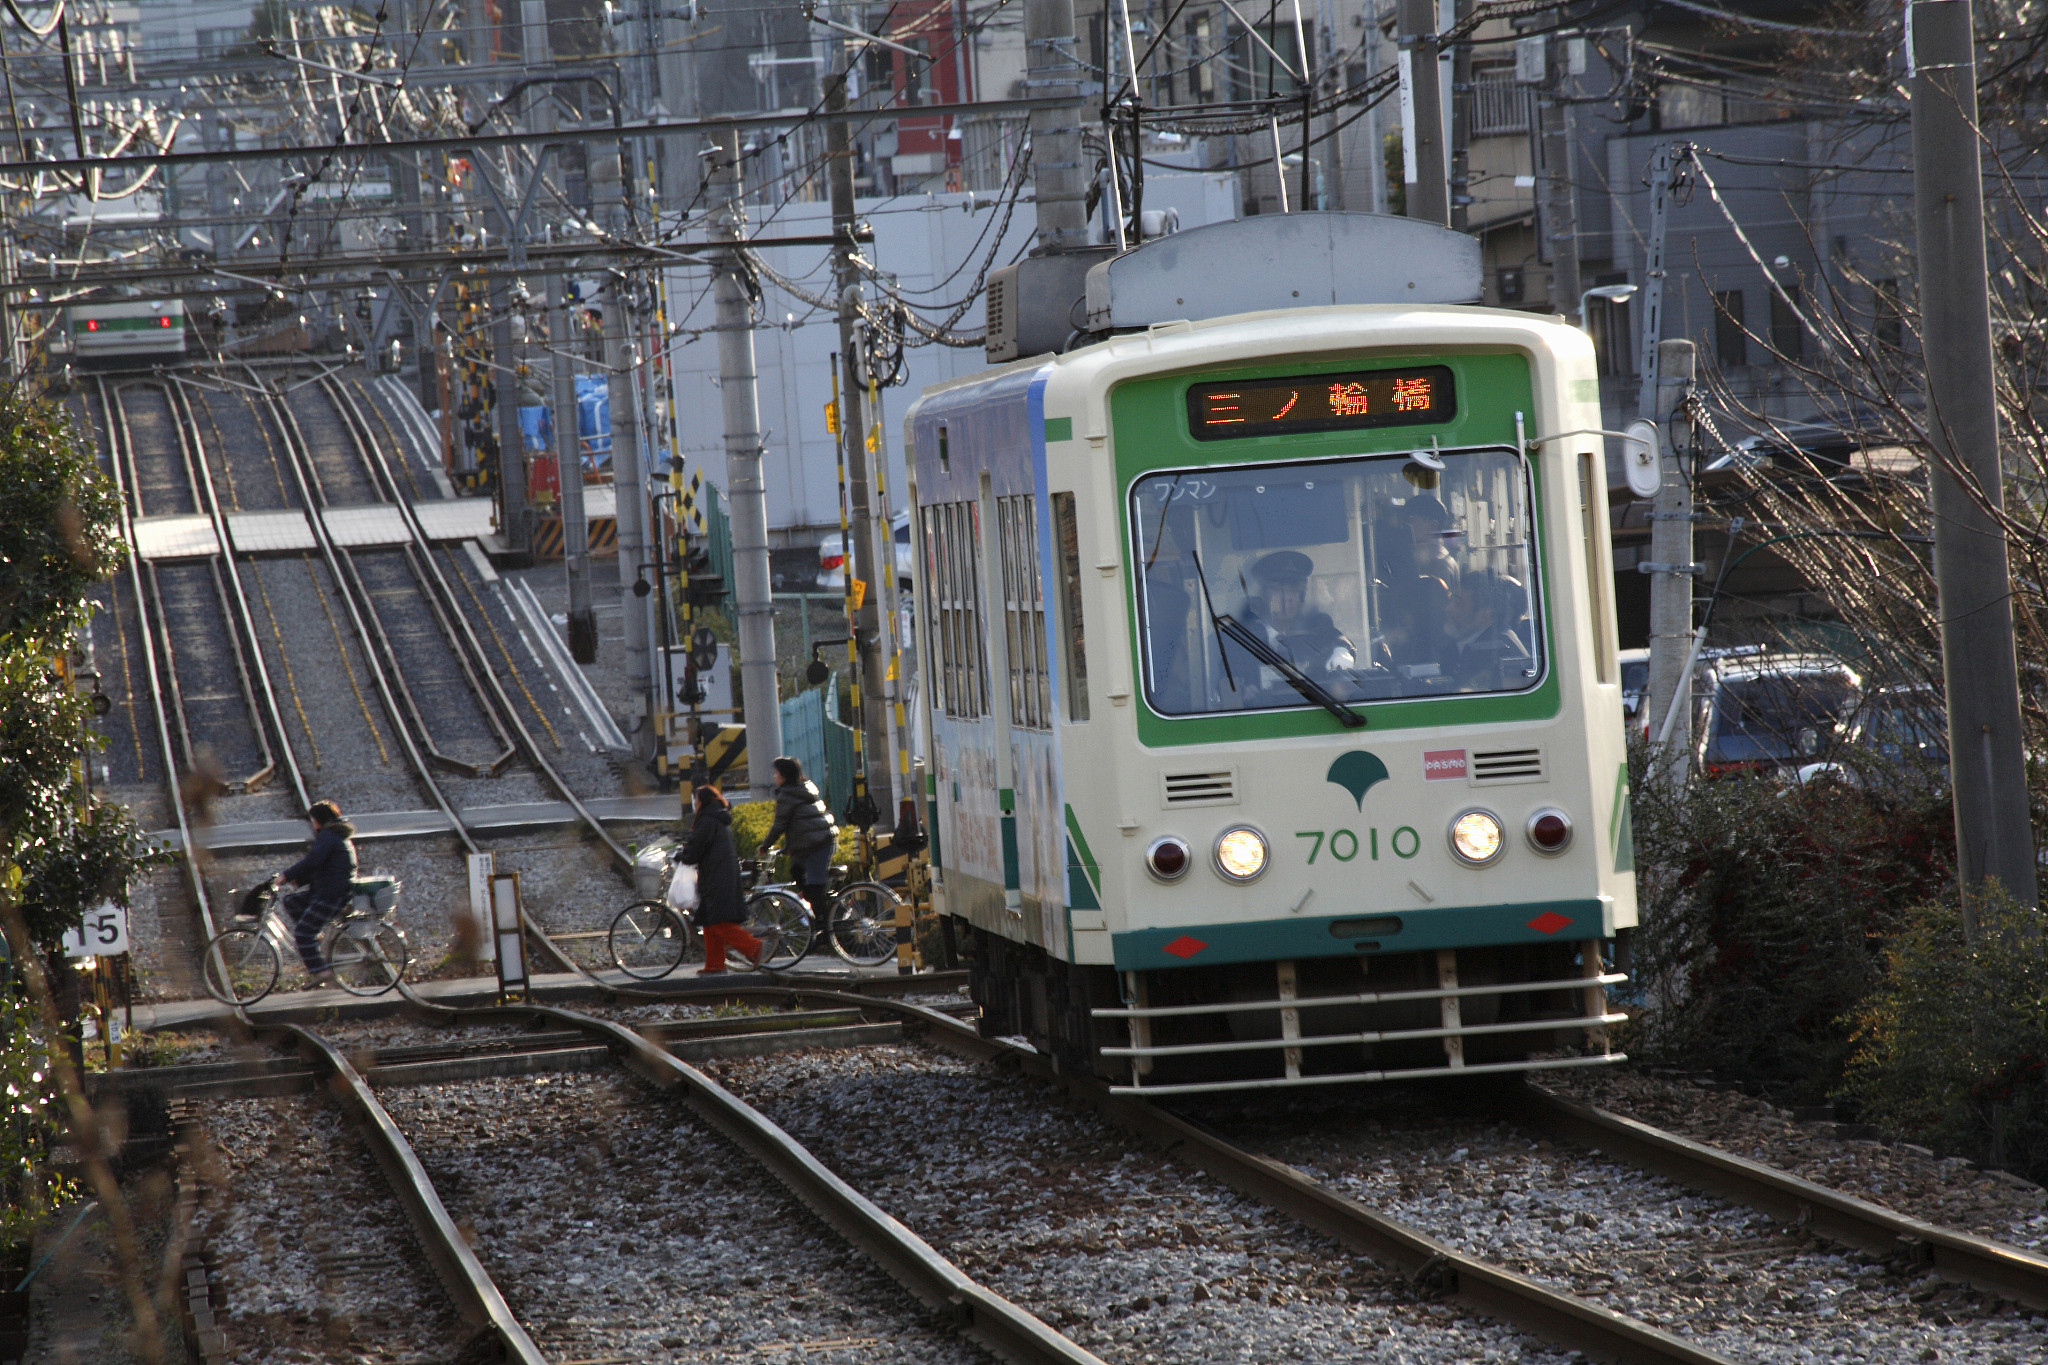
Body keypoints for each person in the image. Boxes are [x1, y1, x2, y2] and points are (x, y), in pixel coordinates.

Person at [1231, 550, 1355, 699]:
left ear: (1301, 595)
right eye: (1276, 589)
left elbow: (1339, 639)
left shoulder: (1317, 625)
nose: (1286, 598)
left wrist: (1341, 651)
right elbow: (1228, 681)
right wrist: (1242, 691)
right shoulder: (1241, 637)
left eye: (1293, 590)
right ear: (1263, 594)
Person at [274, 801, 356, 988]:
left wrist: (286, 875)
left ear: (318, 820)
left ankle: (321, 971)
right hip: (330, 890)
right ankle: (315, 935)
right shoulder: (336, 834)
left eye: (313, 820)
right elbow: (323, 865)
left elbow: (312, 861)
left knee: (302, 933)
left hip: (332, 894)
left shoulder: (328, 835)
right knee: (292, 901)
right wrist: (298, 880)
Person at [681, 784, 760, 973]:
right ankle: (715, 965)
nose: (695, 803)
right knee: (709, 920)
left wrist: (682, 856)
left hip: (716, 876)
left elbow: (696, 848)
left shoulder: (707, 820)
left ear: (703, 801)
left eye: (696, 799)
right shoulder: (716, 816)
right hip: (721, 873)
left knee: (718, 921)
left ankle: (753, 947)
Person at [763, 756, 839, 927]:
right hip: (815, 842)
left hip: (817, 845)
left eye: (776, 773)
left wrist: (765, 846)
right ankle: (813, 912)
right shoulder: (802, 788)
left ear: (784, 775)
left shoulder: (788, 794)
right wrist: (789, 846)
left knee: (815, 886)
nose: (774, 777)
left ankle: (823, 930)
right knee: (796, 870)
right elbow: (800, 823)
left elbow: (780, 825)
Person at [1446, 571, 1534, 691]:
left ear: (1485, 615)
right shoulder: (1488, 639)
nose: (1448, 609)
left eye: (1458, 603)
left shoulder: (1493, 650)